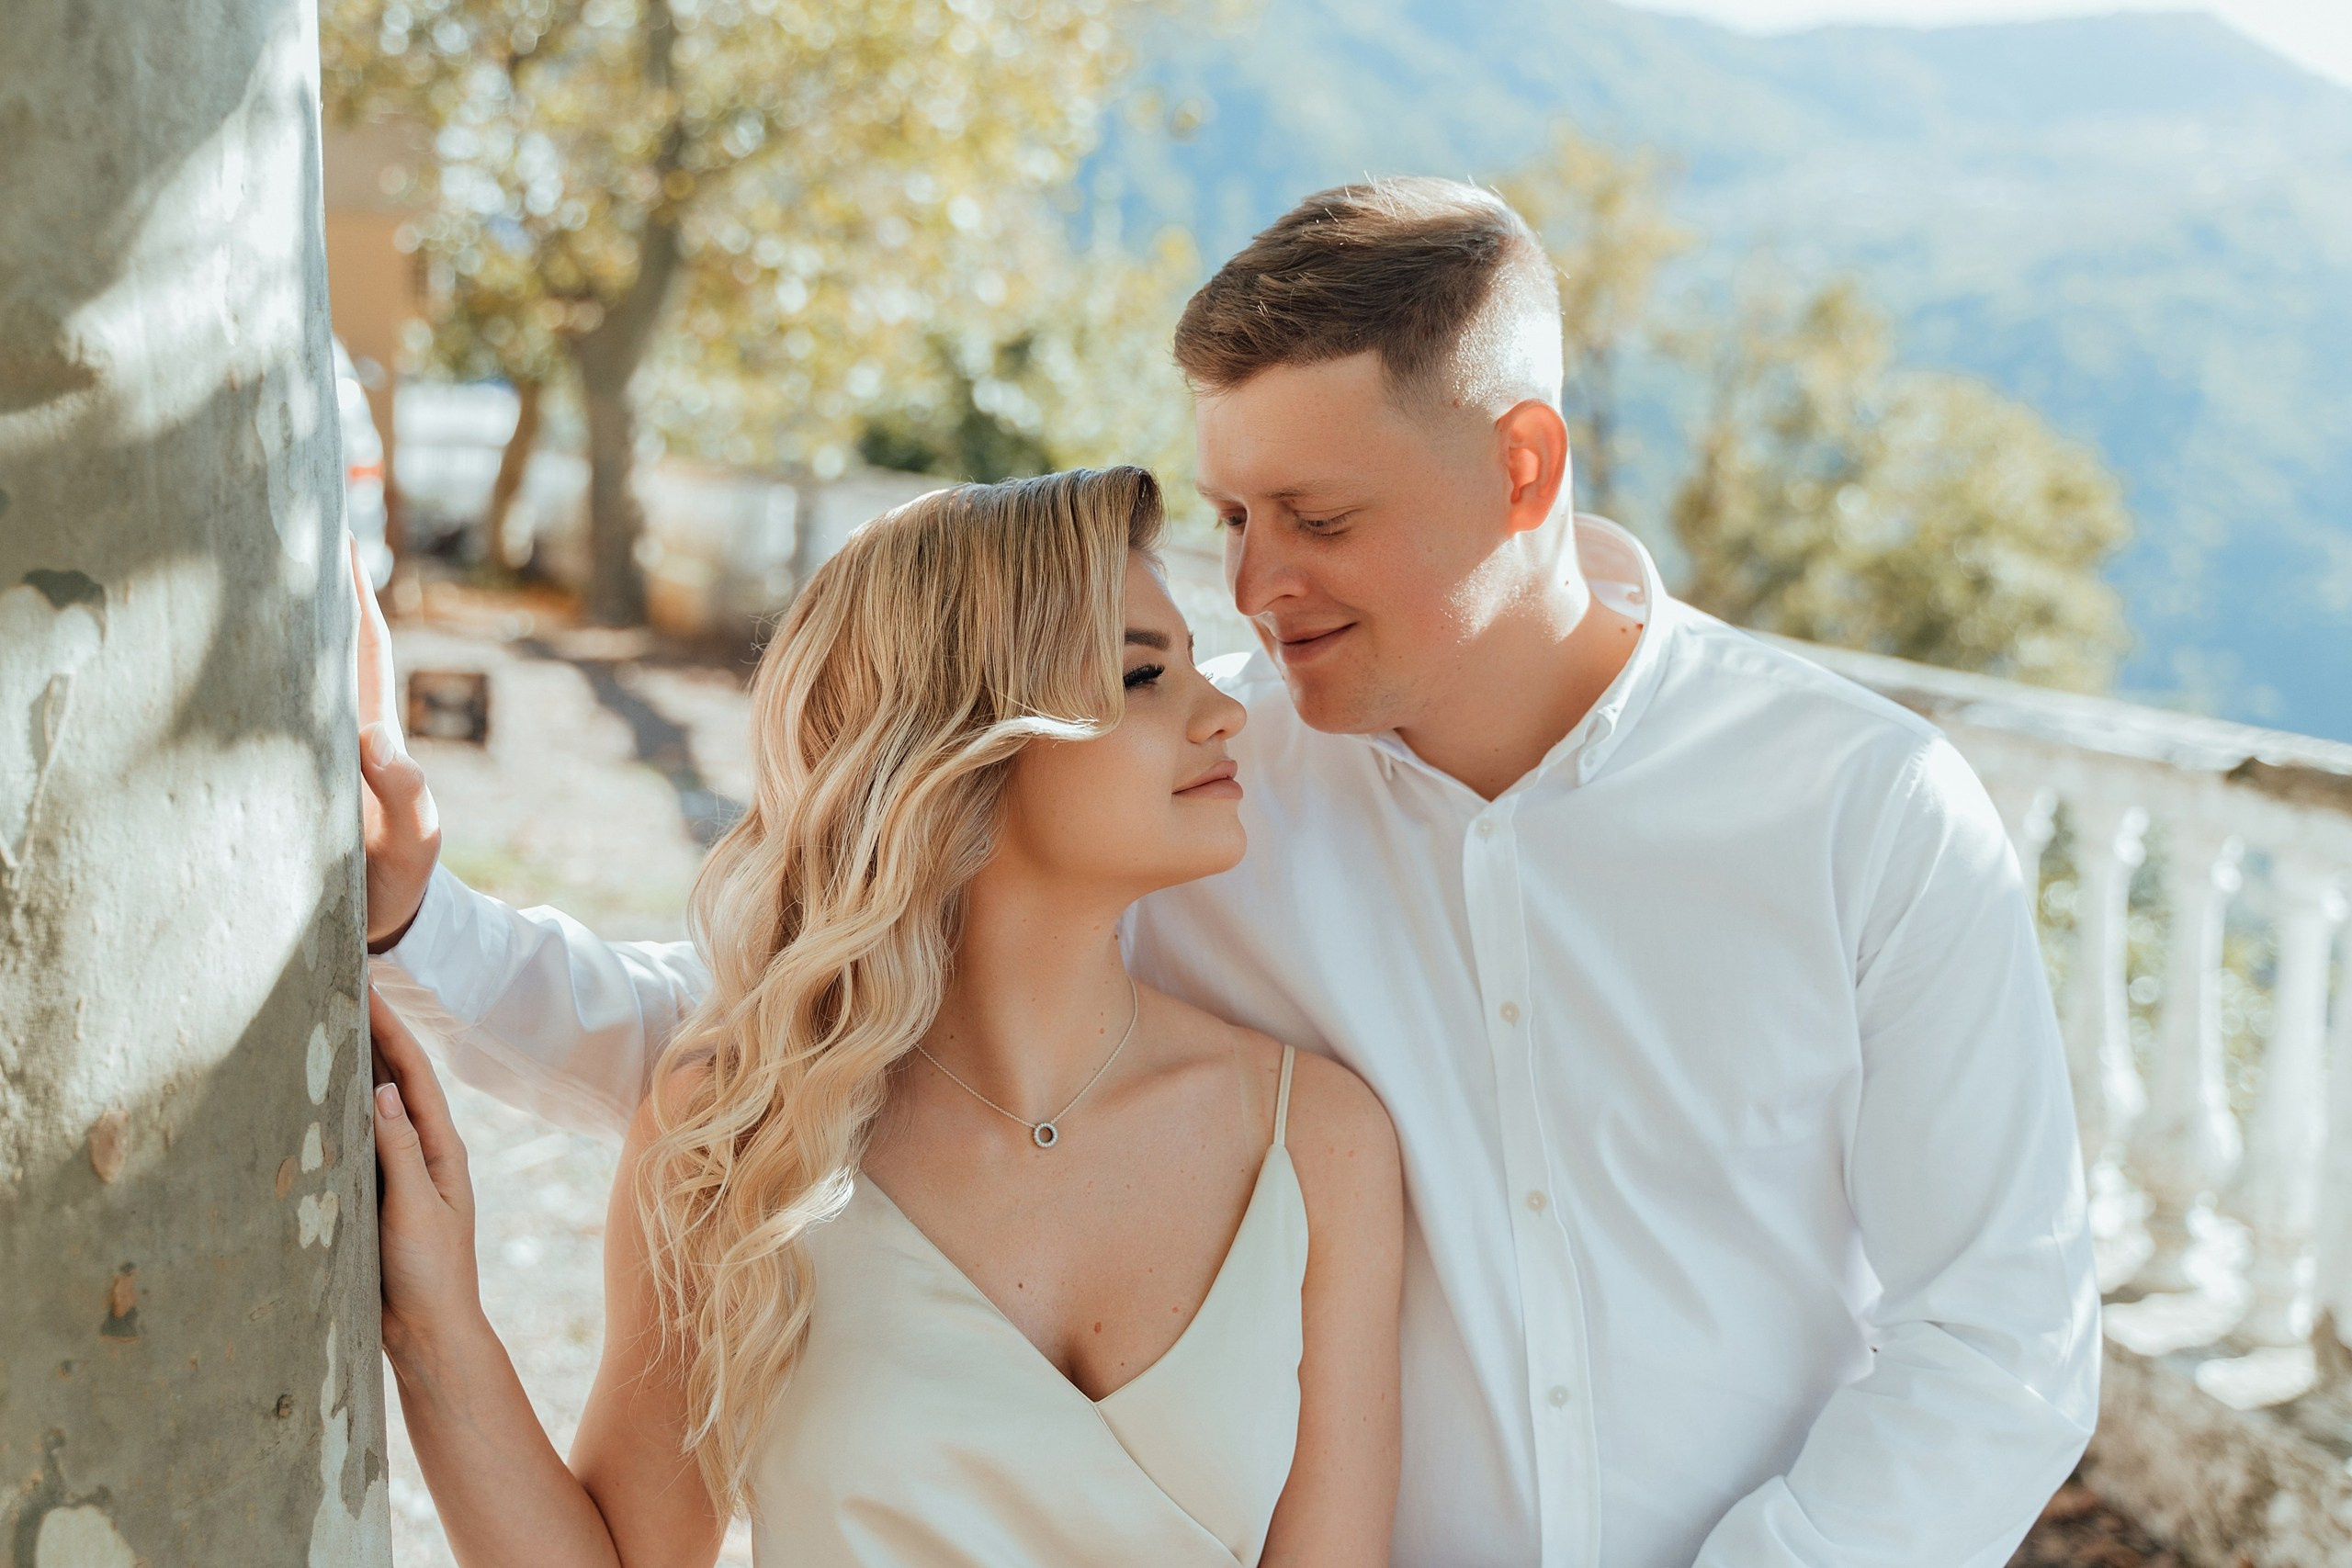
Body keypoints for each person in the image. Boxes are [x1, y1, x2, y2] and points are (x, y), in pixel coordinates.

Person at [366, 177, 2099, 1567]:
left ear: (1523, 470)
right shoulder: (1204, 772)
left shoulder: (1863, 810)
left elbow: (2001, 1337)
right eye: (1234, 515)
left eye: (1320, 519)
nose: (1256, 592)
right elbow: (810, 994)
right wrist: (417, 920)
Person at [364, 468, 1406, 1567]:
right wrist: (437, 1330)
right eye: (1144, 673)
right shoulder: (738, 1129)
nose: (1225, 712)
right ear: (960, 739)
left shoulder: (1317, 1143)